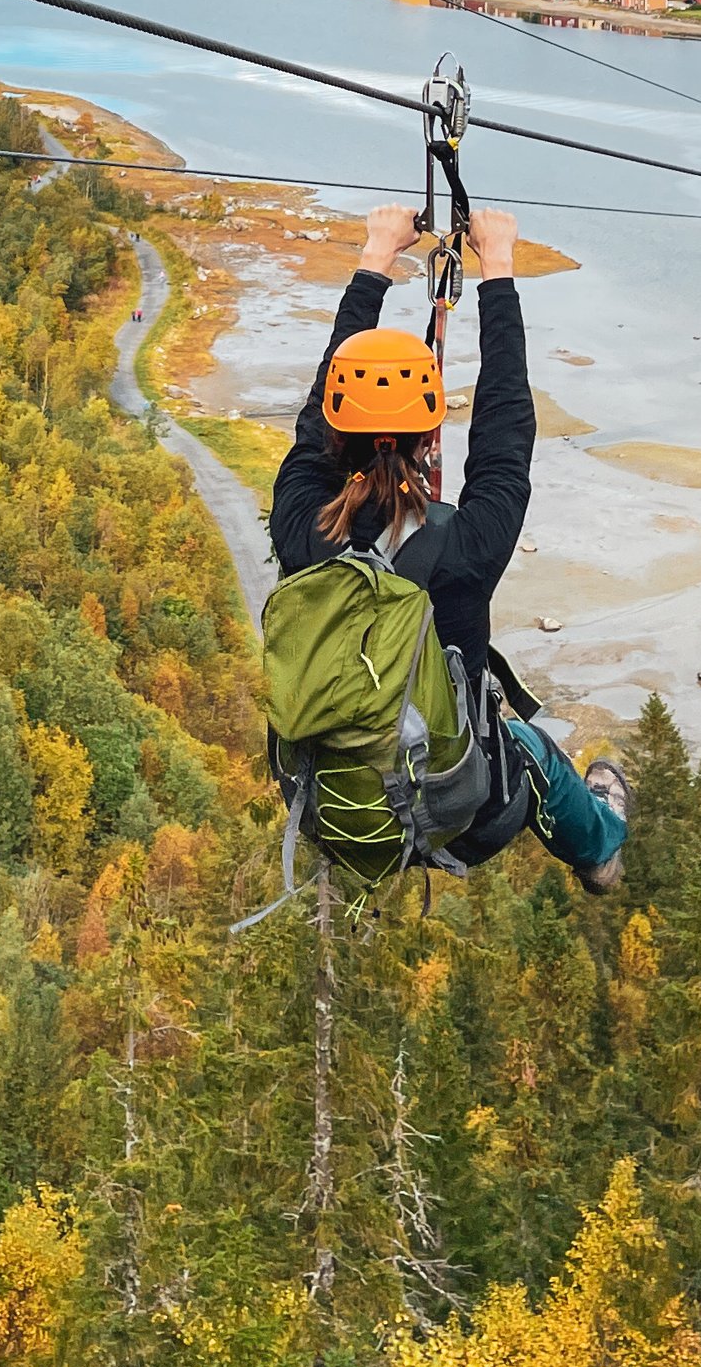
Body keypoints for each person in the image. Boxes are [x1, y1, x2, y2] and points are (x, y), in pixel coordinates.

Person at [269, 201, 627, 890]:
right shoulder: (461, 548)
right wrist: (497, 266)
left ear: (338, 438)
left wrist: (376, 257)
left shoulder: (300, 527)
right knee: (534, 751)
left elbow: (318, 419)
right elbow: (504, 435)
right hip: (462, 808)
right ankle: (600, 847)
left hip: (325, 802)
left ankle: (593, 841)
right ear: (431, 432)